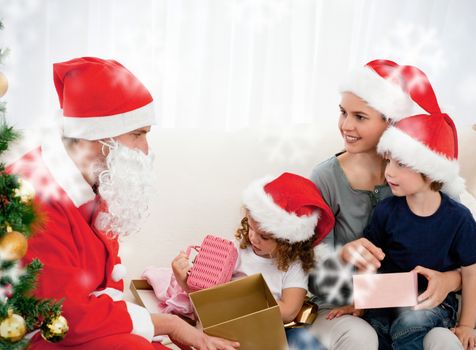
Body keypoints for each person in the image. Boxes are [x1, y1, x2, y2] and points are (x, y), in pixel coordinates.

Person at [8, 57, 239, 350]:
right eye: (138, 134)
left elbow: (99, 293)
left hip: (85, 328)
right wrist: (168, 324)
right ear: (94, 136)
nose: (146, 149)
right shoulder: (32, 197)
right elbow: (63, 318)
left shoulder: (98, 175)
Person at [308, 59, 469, 349]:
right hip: (349, 308)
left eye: (360, 117)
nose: (346, 125)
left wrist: (448, 281)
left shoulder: (426, 173)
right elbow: (313, 277)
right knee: (364, 338)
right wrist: (343, 256)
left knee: (437, 339)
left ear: (390, 121)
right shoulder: (325, 178)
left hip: (416, 309)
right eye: (343, 112)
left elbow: (471, 261)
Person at [331, 112, 476, 349]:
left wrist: (466, 325)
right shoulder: (386, 210)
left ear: (431, 171)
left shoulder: (458, 218)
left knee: (410, 323)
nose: (389, 172)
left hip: (430, 304)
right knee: (375, 331)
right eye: (389, 161)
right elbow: (369, 258)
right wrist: (360, 302)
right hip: (386, 301)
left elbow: (472, 273)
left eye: (401, 164)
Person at [171, 172, 334, 349]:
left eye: (264, 237)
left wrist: (244, 302)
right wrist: (185, 283)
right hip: (230, 326)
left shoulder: (294, 264)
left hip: (270, 329)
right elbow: (205, 301)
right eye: (250, 226)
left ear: (288, 242)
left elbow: (289, 311)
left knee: (305, 341)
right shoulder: (235, 250)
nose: (253, 238)